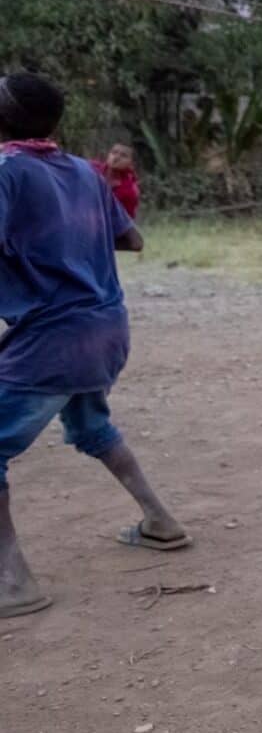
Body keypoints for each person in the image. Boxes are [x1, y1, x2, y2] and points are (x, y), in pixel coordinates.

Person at [0, 73, 190, 619]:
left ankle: (13, 583)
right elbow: (131, 238)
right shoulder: (84, 172)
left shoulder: (9, 172)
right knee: (89, 425)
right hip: (104, 329)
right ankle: (160, 522)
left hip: (53, 338)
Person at [92, 142, 140, 219]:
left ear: (131, 164)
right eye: (114, 152)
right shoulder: (91, 168)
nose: (116, 157)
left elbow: (127, 221)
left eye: (124, 155)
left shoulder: (130, 191)